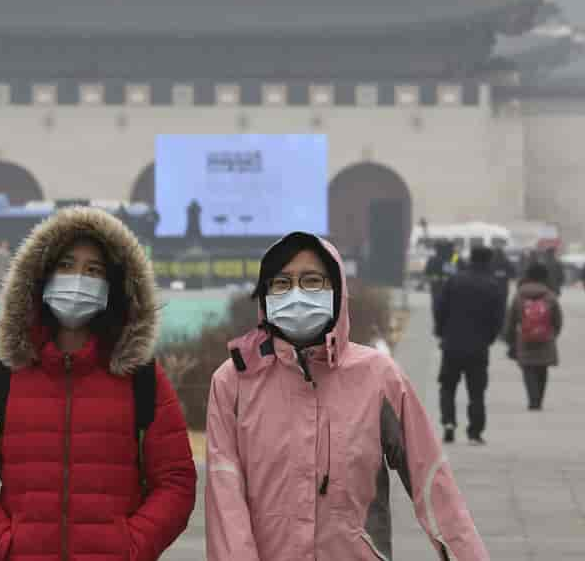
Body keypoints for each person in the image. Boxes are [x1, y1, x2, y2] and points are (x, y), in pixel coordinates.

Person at [205, 232, 489, 561]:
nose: (296, 294)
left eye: (312, 281)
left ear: (337, 289)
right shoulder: (234, 382)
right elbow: (225, 501)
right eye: (281, 283)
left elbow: (433, 483)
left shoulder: (379, 376)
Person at [0, 206, 196, 561]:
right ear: (41, 277)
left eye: (94, 270)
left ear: (114, 287)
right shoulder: (2, 376)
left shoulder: (140, 378)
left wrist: (131, 546)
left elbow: (176, 483)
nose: (78, 279)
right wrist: (4, 543)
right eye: (66, 265)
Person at [434, 245, 504, 446]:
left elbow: (441, 309)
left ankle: (448, 422)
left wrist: (441, 332)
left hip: (452, 344)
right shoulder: (493, 285)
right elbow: (498, 319)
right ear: (489, 261)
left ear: (470, 258)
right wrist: (489, 338)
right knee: (476, 391)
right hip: (478, 347)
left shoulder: (454, 281)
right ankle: (474, 432)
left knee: (447, 386)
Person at [504, 263, 562, 410]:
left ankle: (532, 399)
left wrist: (510, 339)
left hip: (525, 338)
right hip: (545, 338)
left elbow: (511, 320)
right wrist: (553, 334)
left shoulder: (519, 295)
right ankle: (539, 399)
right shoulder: (550, 295)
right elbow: (558, 319)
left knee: (528, 369)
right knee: (542, 369)